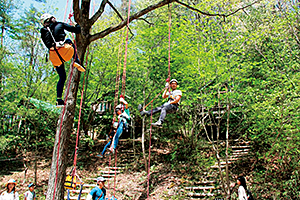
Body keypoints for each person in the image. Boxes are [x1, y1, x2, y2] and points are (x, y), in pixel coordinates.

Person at [40, 13, 85, 107]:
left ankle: (59, 100)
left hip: (55, 56)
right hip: (65, 51)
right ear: (50, 19)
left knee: (62, 77)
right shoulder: (59, 24)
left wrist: (54, 45)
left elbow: (47, 44)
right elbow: (76, 30)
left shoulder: (43, 30)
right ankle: (76, 60)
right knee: (69, 41)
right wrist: (75, 23)